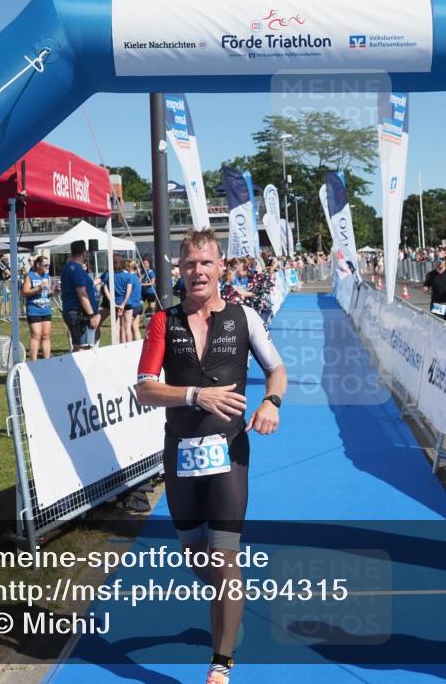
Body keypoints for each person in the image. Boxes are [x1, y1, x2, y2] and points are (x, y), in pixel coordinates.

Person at [136, 229, 287, 684]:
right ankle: (228, 607)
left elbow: (276, 369)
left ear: (221, 267)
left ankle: (221, 661)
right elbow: (144, 389)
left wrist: (271, 403)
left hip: (230, 453)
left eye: (206, 263)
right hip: (180, 455)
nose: (197, 272)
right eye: (189, 265)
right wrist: (195, 395)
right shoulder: (163, 321)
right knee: (196, 557)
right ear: (179, 271)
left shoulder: (245, 318)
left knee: (224, 557)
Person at [60, 240, 100, 351]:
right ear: (84, 253)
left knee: (79, 345)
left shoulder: (68, 268)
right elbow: (82, 294)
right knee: (83, 347)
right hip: (79, 313)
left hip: (74, 311)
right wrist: (91, 315)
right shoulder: (77, 270)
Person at [21, 255, 53, 360]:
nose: (48, 267)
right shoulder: (30, 276)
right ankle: (33, 362)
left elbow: (47, 293)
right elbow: (25, 292)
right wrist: (38, 288)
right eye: (46, 265)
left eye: (49, 265)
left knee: (46, 335)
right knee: (36, 335)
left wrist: (53, 291)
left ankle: (47, 361)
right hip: (34, 310)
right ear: (38, 265)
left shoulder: (47, 276)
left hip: (46, 309)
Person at [0, 252, 11, 318]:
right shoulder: (0, 264)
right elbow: (9, 273)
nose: (6, 258)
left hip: (6, 282)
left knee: (7, 298)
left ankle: (7, 314)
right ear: (1, 258)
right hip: (0, 282)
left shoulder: (6, 264)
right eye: (4, 257)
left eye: (6, 256)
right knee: (0, 298)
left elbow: (9, 273)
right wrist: (7, 273)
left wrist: (8, 274)